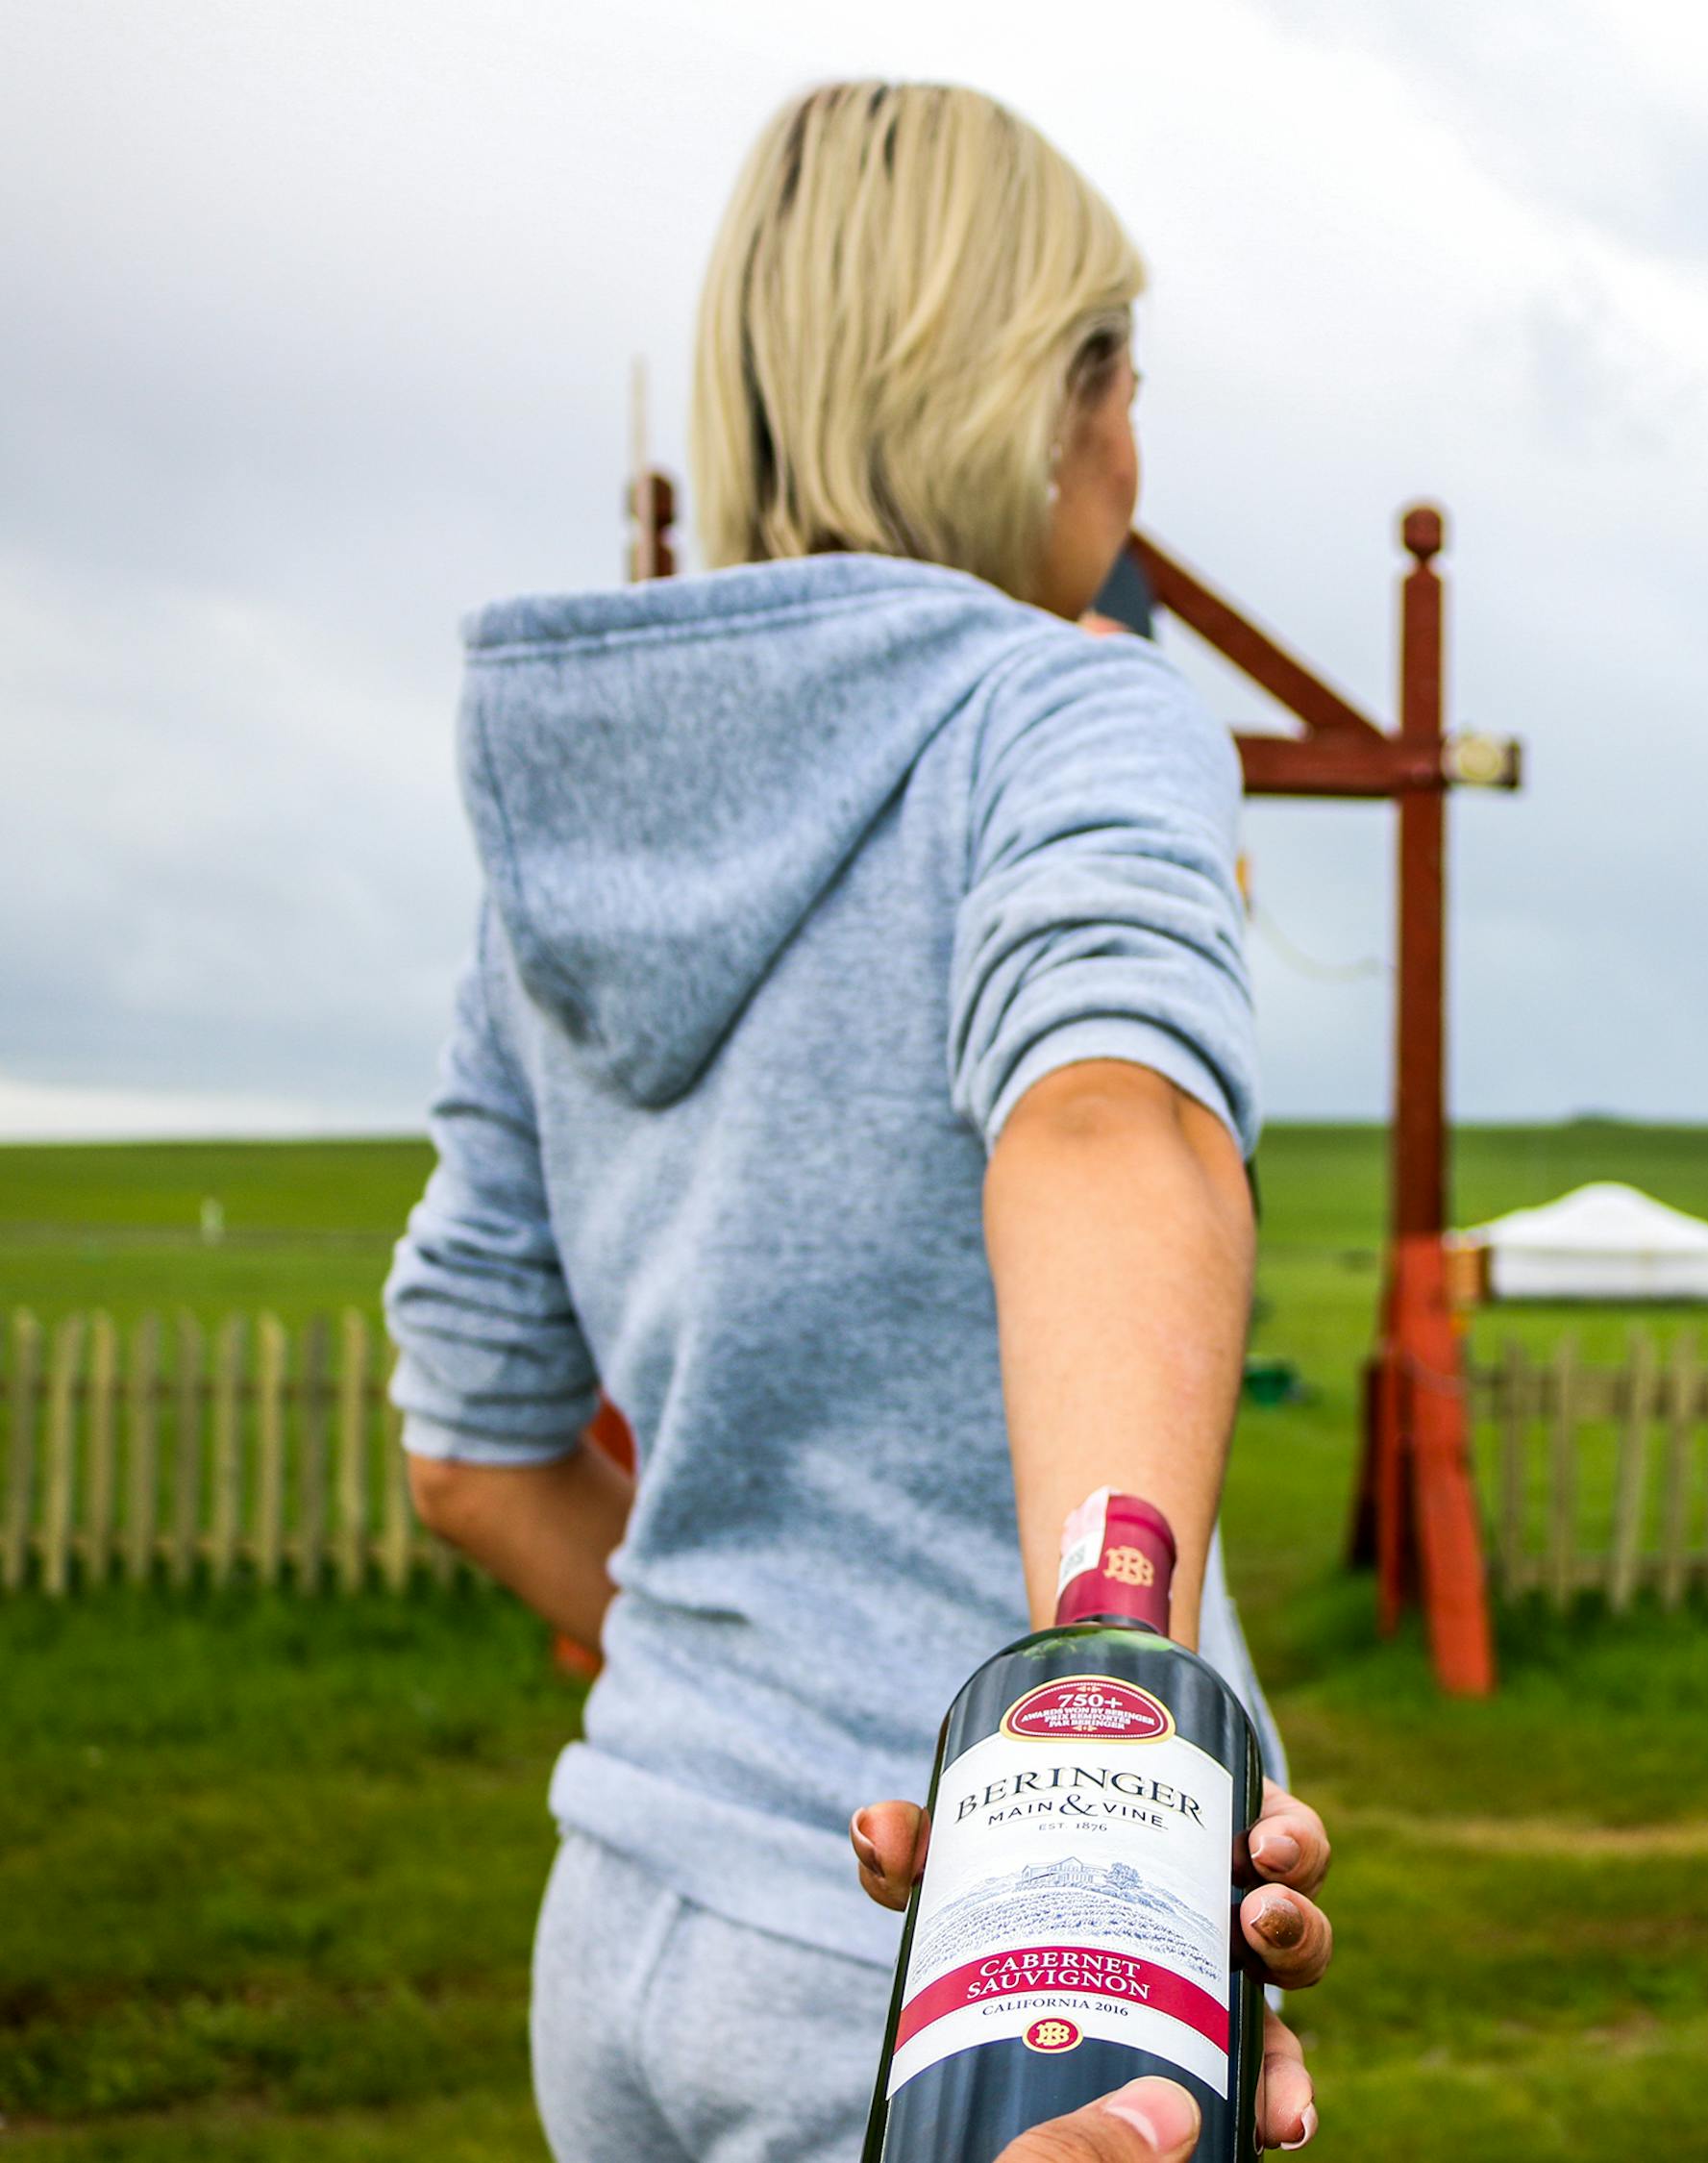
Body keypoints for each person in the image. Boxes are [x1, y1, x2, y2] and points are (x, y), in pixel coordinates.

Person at [384, 80, 1328, 2160]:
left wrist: (737, 1689)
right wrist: (1095, 1831)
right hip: (943, 1984)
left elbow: (468, 1453)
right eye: (1121, 384)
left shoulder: (573, 818)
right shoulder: (1066, 705)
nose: (1130, 453)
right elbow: (1103, 1120)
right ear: (1040, 395)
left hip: (622, 1914)